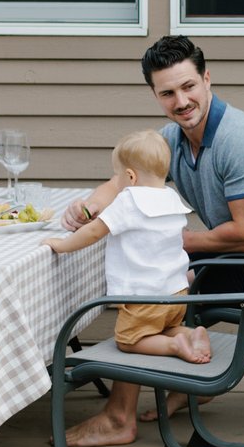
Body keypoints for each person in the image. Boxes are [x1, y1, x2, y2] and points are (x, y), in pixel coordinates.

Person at [59, 34, 244, 447]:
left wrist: (175, 242)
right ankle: (181, 367)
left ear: (207, 79)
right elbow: (124, 179)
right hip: (230, 263)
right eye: (167, 93)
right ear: (155, 94)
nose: (181, 101)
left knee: (145, 286)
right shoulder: (174, 137)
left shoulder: (241, 141)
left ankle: (118, 417)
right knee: (154, 271)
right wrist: (89, 208)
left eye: (188, 87)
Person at [45, 130, 211, 366]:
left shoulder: (129, 200)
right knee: (162, 329)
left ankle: (174, 346)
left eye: (118, 176)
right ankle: (191, 335)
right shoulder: (172, 198)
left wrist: (61, 245)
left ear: (130, 177)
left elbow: (93, 232)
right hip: (177, 294)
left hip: (145, 298)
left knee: (128, 340)